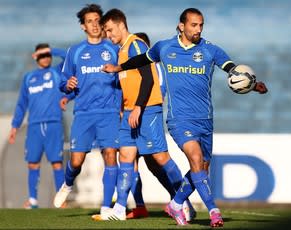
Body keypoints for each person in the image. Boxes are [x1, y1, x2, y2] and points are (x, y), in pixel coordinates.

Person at [102, 8, 268, 227]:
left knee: (202, 167)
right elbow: (142, 60)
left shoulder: (210, 50)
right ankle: (214, 211)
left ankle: (177, 203)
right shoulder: (164, 47)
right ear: (182, 26)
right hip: (179, 120)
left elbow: (233, 70)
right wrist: (118, 67)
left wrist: (253, 85)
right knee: (196, 158)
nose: (198, 29)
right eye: (193, 25)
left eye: (201, 25)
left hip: (205, 119)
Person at [97, 8, 187, 221]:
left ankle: (182, 202)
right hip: (131, 111)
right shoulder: (121, 51)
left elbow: (148, 77)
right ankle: (119, 208)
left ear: (120, 24)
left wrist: (138, 106)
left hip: (147, 109)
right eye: (106, 32)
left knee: (160, 157)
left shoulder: (136, 44)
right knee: (125, 155)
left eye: (110, 30)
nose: (108, 35)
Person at [53, 4, 121, 215]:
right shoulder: (75, 51)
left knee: (110, 155)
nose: (94, 24)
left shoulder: (113, 49)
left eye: (97, 20)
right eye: (89, 21)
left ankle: (105, 207)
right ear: (83, 26)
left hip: (109, 113)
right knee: (76, 161)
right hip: (83, 114)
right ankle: (67, 184)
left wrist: (121, 106)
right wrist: (68, 86)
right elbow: (64, 82)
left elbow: (122, 79)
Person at [8, 43, 70, 209]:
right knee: (32, 163)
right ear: (35, 57)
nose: (46, 58)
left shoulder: (56, 72)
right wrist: (15, 126)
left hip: (53, 124)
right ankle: (33, 201)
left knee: (57, 162)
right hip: (34, 126)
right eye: (42, 55)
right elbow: (22, 104)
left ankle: (60, 200)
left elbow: (68, 56)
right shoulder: (29, 78)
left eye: (48, 55)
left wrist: (51, 50)